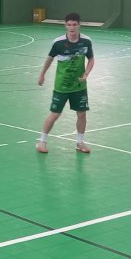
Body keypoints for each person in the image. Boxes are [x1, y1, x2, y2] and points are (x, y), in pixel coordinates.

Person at [36, 12, 95, 154]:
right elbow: (49, 59)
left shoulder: (86, 41)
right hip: (61, 86)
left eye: (74, 24)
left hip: (79, 86)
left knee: (81, 114)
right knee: (55, 114)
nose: (72, 27)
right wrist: (42, 75)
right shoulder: (58, 43)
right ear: (65, 26)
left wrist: (86, 73)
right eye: (69, 25)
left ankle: (80, 142)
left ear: (79, 25)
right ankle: (42, 141)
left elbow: (91, 59)